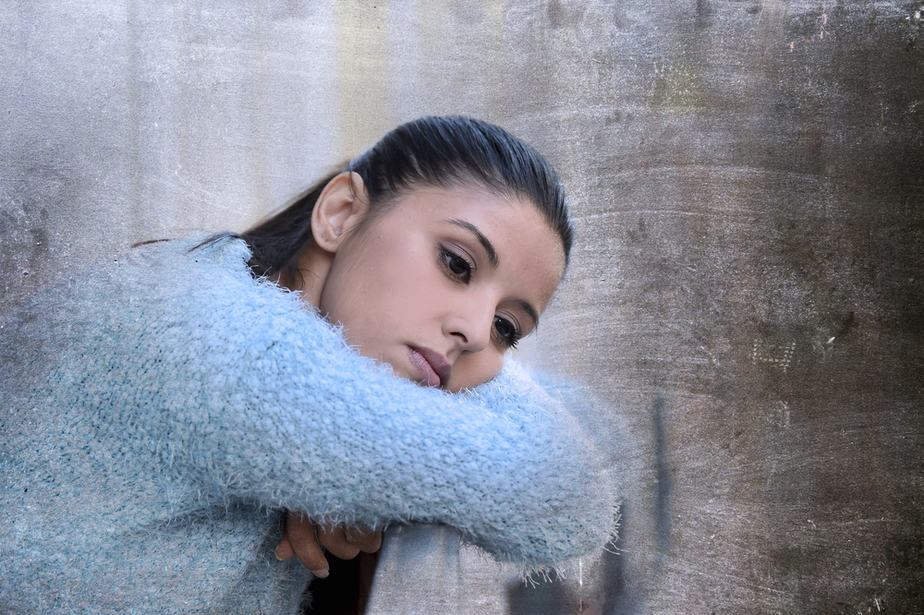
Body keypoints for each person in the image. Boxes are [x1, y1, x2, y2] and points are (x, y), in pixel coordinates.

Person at [0, 116, 617, 613]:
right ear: (341, 213)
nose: (475, 331)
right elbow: (566, 494)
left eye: (507, 328)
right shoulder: (222, 338)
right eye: (457, 264)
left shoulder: (236, 294)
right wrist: (358, 480)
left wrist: (347, 483)